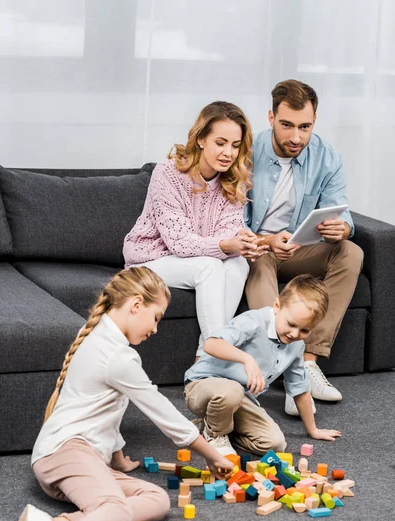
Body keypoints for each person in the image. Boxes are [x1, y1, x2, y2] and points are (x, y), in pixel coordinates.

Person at [15, 267, 233, 521]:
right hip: (65, 453)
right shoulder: (117, 355)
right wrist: (213, 454)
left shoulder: (103, 338)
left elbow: (105, 411)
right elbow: (162, 411)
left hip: (77, 457)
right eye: (156, 317)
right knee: (115, 507)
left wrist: (117, 460)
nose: (156, 329)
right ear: (135, 305)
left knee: (156, 500)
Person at [242, 79, 363, 416]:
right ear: (270, 118)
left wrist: (343, 227)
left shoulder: (327, 157)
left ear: (314, 121)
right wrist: (266, 240)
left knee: (351, 251)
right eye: (287, 126)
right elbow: (230, 221)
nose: (296, 137)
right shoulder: (245, 151)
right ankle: (283, 364)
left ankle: (307, 361)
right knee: (259, 261)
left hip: (299, 249)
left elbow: (342, 210)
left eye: (305, 127)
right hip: (258, 248)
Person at [123, 101, 267, 358]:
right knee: (210, 267)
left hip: (197, 259)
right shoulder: (167, 173)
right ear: (201, 139)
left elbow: (229, 232)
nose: (228, 153)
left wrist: (242, 241)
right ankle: (218, 355)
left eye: (235, 145)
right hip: (150, 258)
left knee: (239, 265)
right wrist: (225, 244)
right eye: (220, 143)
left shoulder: (234, 181)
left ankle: (205, 356)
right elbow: (179, 242)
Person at [184, 275, 341, 456]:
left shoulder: (297, 345)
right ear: (277, 306)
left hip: (240, 399)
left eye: (305, 330)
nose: (294, 333)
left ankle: (210, 426)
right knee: (231, 390)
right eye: (291, 324)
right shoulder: (253, 321)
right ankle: (215, 434)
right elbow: (210, 344)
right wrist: (247, 359)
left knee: (275, 445)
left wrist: (313, 430)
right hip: (201, 386)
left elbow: (300, 389)